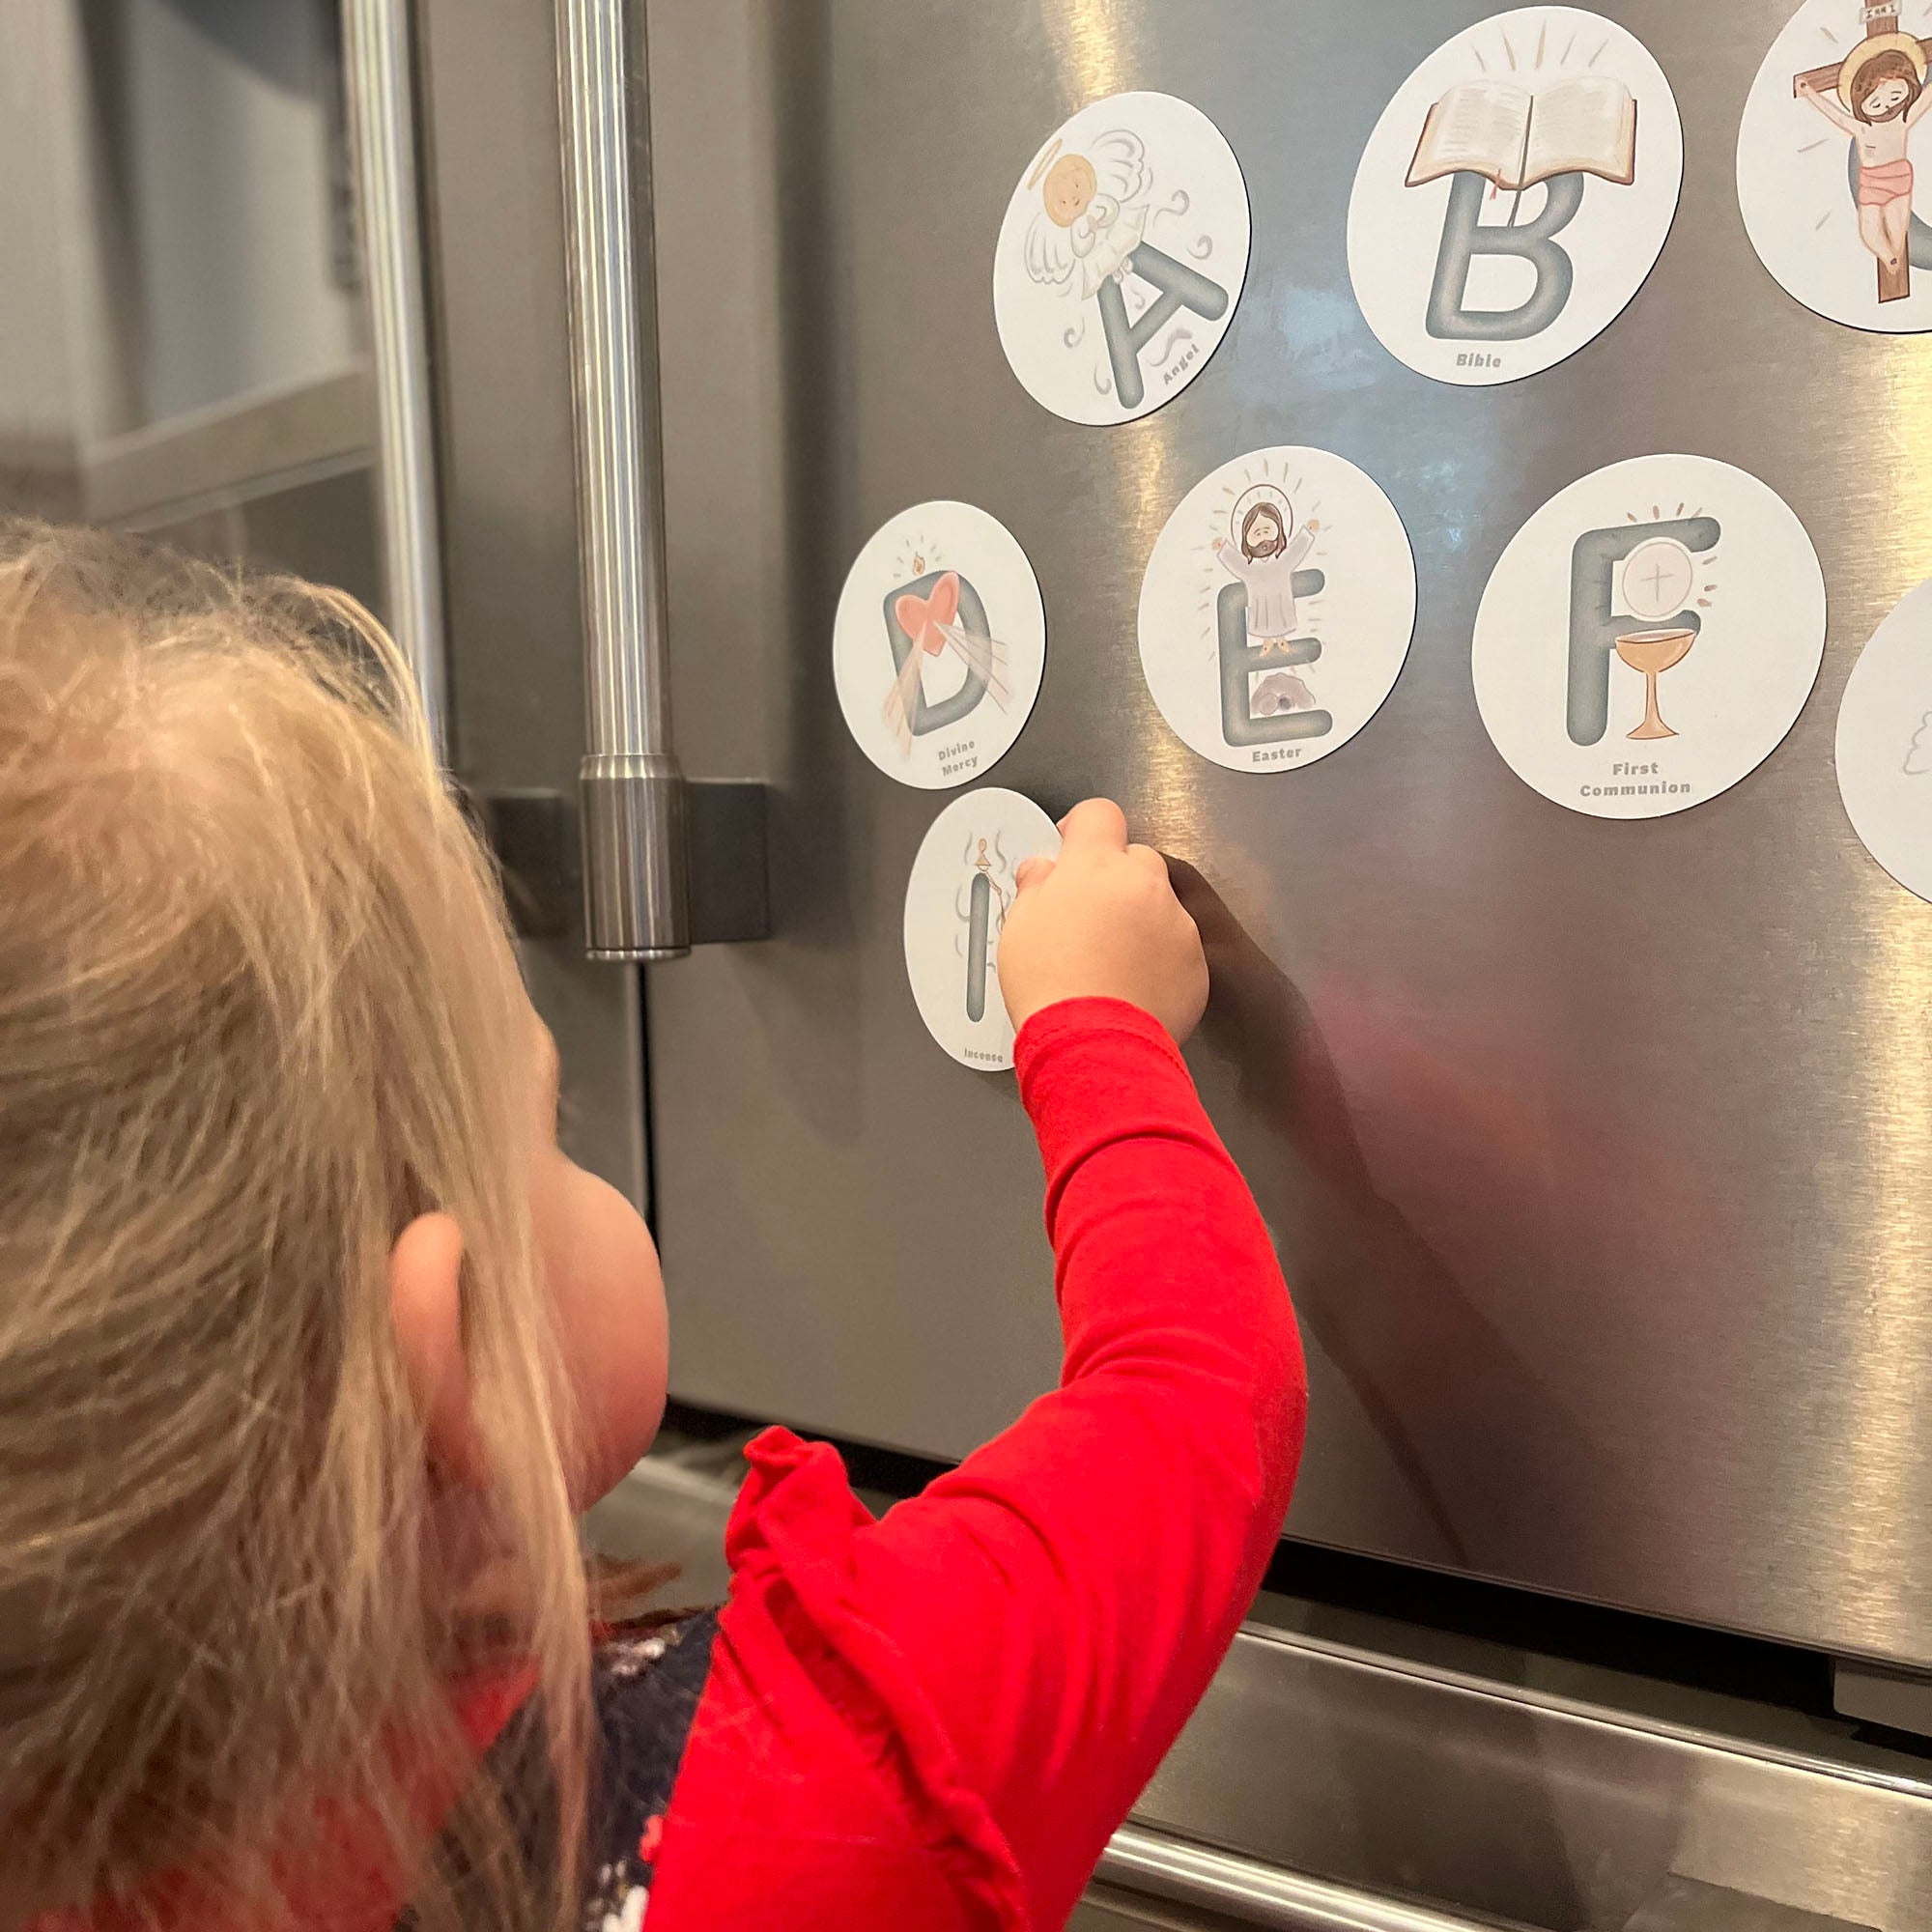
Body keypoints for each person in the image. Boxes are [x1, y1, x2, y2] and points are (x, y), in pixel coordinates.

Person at [0, 521, 1306, 1932]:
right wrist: (1095, 1022)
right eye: (549, 1126)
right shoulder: (800, 1794)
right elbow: (1193, 1400)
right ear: (471, 1349)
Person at [1798, 43, 1932, 278]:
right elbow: (1836, 115)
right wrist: (1809, 92)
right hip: (1872, 182)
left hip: (1899, 178)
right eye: (1876, 103)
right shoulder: (1862, 129)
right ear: (1862, 105)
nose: (1887, 106)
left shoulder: (1902, 120)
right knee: (1870, 229)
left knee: (1898, 227)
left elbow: (1926, 98)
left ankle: (1895, 255)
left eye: (1895, 96)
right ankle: (1888, 255)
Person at [1214, 500, 1319, 656]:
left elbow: (1296, 550)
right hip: (1260, 604)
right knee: (1264, 622)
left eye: (1267, 530)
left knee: (1280, 618)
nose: (1263, 537)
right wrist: (1223, 548)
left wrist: (1307, 533)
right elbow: (1236, 562)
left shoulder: (1282, 562)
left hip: (1281, 601)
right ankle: (1267, 641)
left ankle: (1281, 639)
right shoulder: (1250, 568)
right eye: (1257, 533)